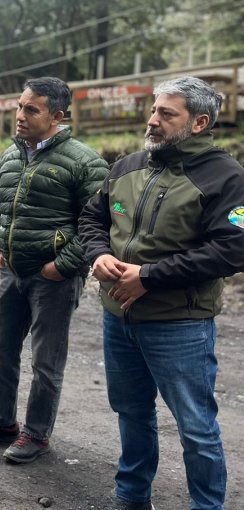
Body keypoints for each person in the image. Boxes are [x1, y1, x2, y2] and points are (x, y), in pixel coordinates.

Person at [79, 76, 244, 510]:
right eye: (153, 110)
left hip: (180, 324)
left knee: (195, 427)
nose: (152, 121)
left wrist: (149, 276)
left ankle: (206, 506)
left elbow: (232, 249)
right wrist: (97, 256)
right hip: (118, 319)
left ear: (199, 122)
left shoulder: (226, 176)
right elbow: (92, 219)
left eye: (166, 114)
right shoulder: (127, 166)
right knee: (131, 412)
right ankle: (132, 497)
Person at [0, 77, 109, 463]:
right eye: (19, 106)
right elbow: (3, 212)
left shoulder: (85, 161)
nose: (20, 116)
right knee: (0, 350)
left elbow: (96, 223)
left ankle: (37, 434)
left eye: (32, 109)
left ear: (57, 116)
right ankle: (4, 420)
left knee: (46, 362)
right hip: (12, 273)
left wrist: (61, 267)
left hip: (54, 280)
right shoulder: (10, 157)